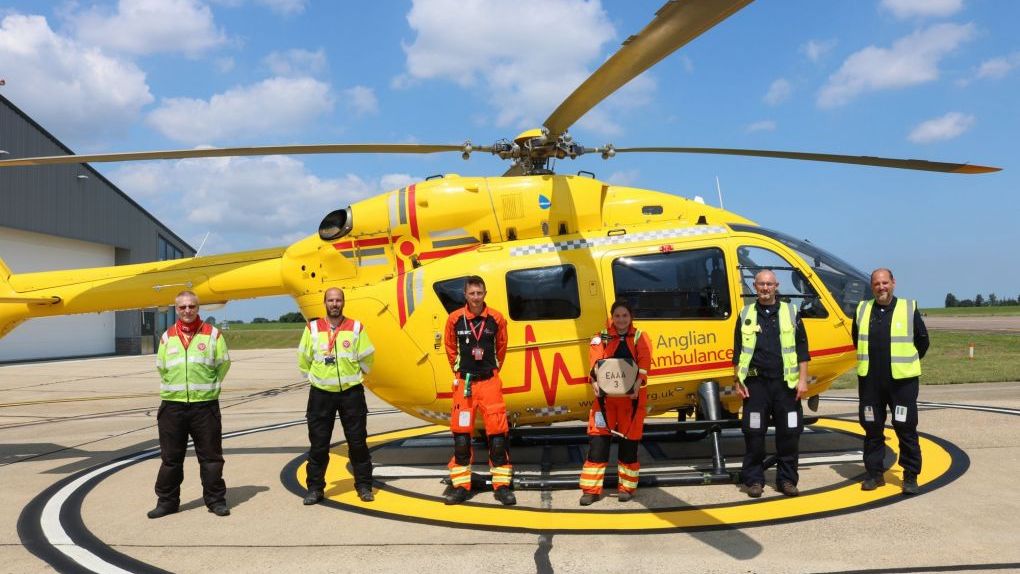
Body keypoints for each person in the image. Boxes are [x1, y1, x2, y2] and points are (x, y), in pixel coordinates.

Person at [149, 290, 231, 518]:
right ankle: (167, 502)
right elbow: (162, 368)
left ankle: (216, 501)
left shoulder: (213, 335)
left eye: (191, 306)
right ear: (176, 309)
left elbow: (223, 365)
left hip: (204, 407)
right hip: (172, 408)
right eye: (183, 307)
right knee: (170, 459)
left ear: (198, 308)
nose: (187, 310)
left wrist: (207, 386)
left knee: (211, 458)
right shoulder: (167, 337)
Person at [852, 268, 929, 495]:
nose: (881, 287)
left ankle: (910, 475)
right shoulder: (862, 309)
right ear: (872, 286)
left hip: (901, 383)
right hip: (871, 382)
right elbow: (856, 338)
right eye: (876, 284)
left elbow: (922, 342)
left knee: (905, 428)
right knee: (872, 428)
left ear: (893, 283)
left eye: (885, 283)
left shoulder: (908, 308)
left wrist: (905, 364)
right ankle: (875, 474)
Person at [733, 270, 810, 498]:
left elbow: (802, 350)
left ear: (776, 286)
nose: (765, 288)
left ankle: (787, 480)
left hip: (786, 386)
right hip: (755, 386)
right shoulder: (745, 314)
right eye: (761, 284)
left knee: (789, 433)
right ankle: (754, 480)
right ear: (754, 287)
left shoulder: (791, 312)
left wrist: (803, 380)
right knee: (754, 433)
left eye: (769, 284)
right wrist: (737, 381)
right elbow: (737, 352)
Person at [299, 287, 376, 505]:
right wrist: (317, 378)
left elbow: (367, 359)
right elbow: (303, 360)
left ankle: (364, 486)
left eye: (338, 300)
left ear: (343, 302)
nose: (335, 304)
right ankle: (315, 488)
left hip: (351, 393)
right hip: (321, 395)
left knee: (358, 443)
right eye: (331, 300)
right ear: (325, 303)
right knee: (319, 445)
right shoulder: (312, 328)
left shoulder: (356, 328)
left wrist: (355, 376)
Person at [443, 275, 516, 506]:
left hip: (490, 383)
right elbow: (450, 348)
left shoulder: (496, 318)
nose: (476, 297)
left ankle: (502, 486)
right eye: (472, 293)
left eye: (479, 293)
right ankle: (461, 487)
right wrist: (460, 371)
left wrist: (490, 370)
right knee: (462, 439)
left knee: (497, 438)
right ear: (465, 295)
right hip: (464, 385)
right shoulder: (454, 319)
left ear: (485, 293)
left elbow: (502, 348)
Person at [578, 300, 651, 506]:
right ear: (612, 317)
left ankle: (626, 488)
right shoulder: (599, 338)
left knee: (629, 446)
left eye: (624, 316)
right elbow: (594, 364)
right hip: (605, 401)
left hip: (632, 401)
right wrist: (593, 381)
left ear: (631, 317)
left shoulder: (640, 337)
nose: (621, 319)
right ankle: (590, 490)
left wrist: (639, 383)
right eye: (617, 316)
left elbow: (644, 364)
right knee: (597, 445)